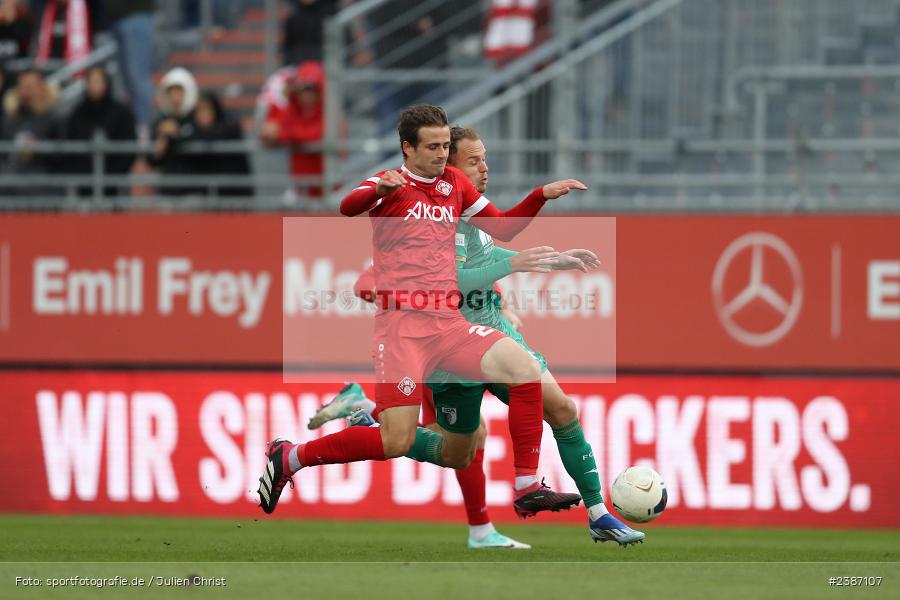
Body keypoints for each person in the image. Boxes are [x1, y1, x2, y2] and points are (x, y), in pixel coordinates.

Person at [309, 125, 645, 548]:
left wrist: (548, 260)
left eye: (484, 160)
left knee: (560, 407)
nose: (484, 170)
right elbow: (410, 277)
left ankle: (597, 513)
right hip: (443, 347)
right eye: (473, 162)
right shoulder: (424, 220)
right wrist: (511, 266)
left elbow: (492, 252)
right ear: (446, 167)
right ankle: (368, 415)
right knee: (455, 449)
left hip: (488, 336)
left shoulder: (469, 215)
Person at [258, 105, 589, 524]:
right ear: (407, 147)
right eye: (432, 146)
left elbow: (502, 228)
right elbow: (346, 205)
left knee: (522, 367)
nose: (440, 154)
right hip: (402, 331)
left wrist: (540, 195)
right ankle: (292, 457)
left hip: (449, 325)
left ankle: (526, 486)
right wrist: (378, 191)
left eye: (445, 146)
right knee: (397, 440)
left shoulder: (454, 184)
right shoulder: (389, 183)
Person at [58, 65, 136, 197]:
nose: (95, 86)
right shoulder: (77, 114)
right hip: (85, 183)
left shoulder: (121, 113)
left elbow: (129, 146)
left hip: (114, 184)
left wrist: (114, 174)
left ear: (107, 83)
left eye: (99, 81)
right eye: (92, 82)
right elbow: (69, 146)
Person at [259, 60, 325, 200]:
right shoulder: (293, 107)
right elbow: (266, 136)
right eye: (302, 88)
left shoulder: (329, 111)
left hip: (326, 188)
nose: (305, 94)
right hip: (300, 187)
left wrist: (285, 134)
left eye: (311, 88)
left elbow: (316, 134)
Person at [182, 90, 251, 197]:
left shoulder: (229, 127)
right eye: (199, 110)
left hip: (233, 195)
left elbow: (219, 134)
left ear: (215, 110)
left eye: (207, 108)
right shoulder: (190, 130)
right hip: (206, 196)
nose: (203, 114)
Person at [106, 0, 155, 137]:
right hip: (116, 18)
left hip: (136, 14)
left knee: (137, 77)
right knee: (123, 81)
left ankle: (142, 129)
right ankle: (128, 128)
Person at [148, 66, 197, 196]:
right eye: (172, 92)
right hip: (167, 187)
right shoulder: (160, 122)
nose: (176, 97)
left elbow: (198, 139)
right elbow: (151, 158)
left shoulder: (195, 119)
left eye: (179, 92)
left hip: (193, 188)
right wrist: (159, 147)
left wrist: (176, 134)